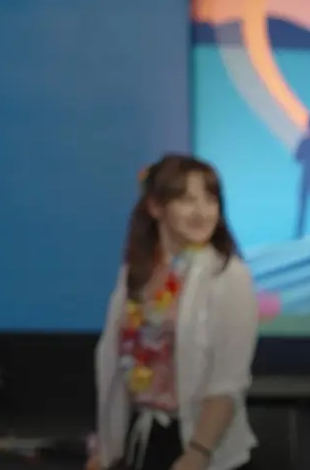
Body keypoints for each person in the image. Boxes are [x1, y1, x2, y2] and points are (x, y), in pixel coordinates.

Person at [90, 154, 259, 470]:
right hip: (138, 437)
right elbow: (114, 362)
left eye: (210, 200)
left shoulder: (227, 275)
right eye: (186, 200)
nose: (202, 212)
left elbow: (229, 380)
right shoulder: (136, 274)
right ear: (156, 207)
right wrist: (105, 444)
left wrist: (198, 452)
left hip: (195, 445)